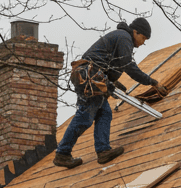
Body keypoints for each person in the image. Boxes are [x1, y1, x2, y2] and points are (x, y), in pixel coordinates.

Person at [54, 17, 167, 168]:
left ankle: (103, 151)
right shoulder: (124, 38)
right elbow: (128, 65)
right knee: (85, 116)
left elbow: (111, 63)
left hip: (90, 76)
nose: (143, 42)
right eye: (143, 38)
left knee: (104, 113)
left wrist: (112, 82)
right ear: (135, 32)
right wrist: (152, 82)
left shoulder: (121, 37)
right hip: (91, 77)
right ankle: (62, 153)